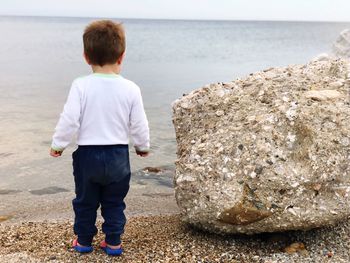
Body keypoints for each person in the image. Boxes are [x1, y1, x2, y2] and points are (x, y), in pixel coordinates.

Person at [49, 20, 150, 256]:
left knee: (85, 201)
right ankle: (113, 242)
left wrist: (58, 144)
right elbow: (139, 122)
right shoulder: (131, 88)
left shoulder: (81, 85)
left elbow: (70, 118)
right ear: (121, 56)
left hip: (88, 155)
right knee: (114, 202)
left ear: (86, 57)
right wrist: (142, 146)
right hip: (117, 155)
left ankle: (84, 241)